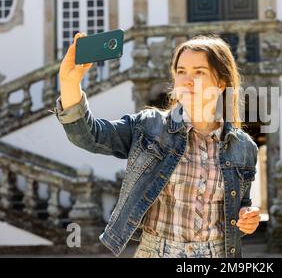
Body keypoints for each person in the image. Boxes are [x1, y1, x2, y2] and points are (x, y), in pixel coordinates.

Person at [54, 32, 260, 258]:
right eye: (181, 72)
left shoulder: (244, 147)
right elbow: (89, 136)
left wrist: (247, 217)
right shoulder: (149, 127)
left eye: (199, 72)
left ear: (221, 83)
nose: (187, 80)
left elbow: (241, 206)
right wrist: (69, 82)